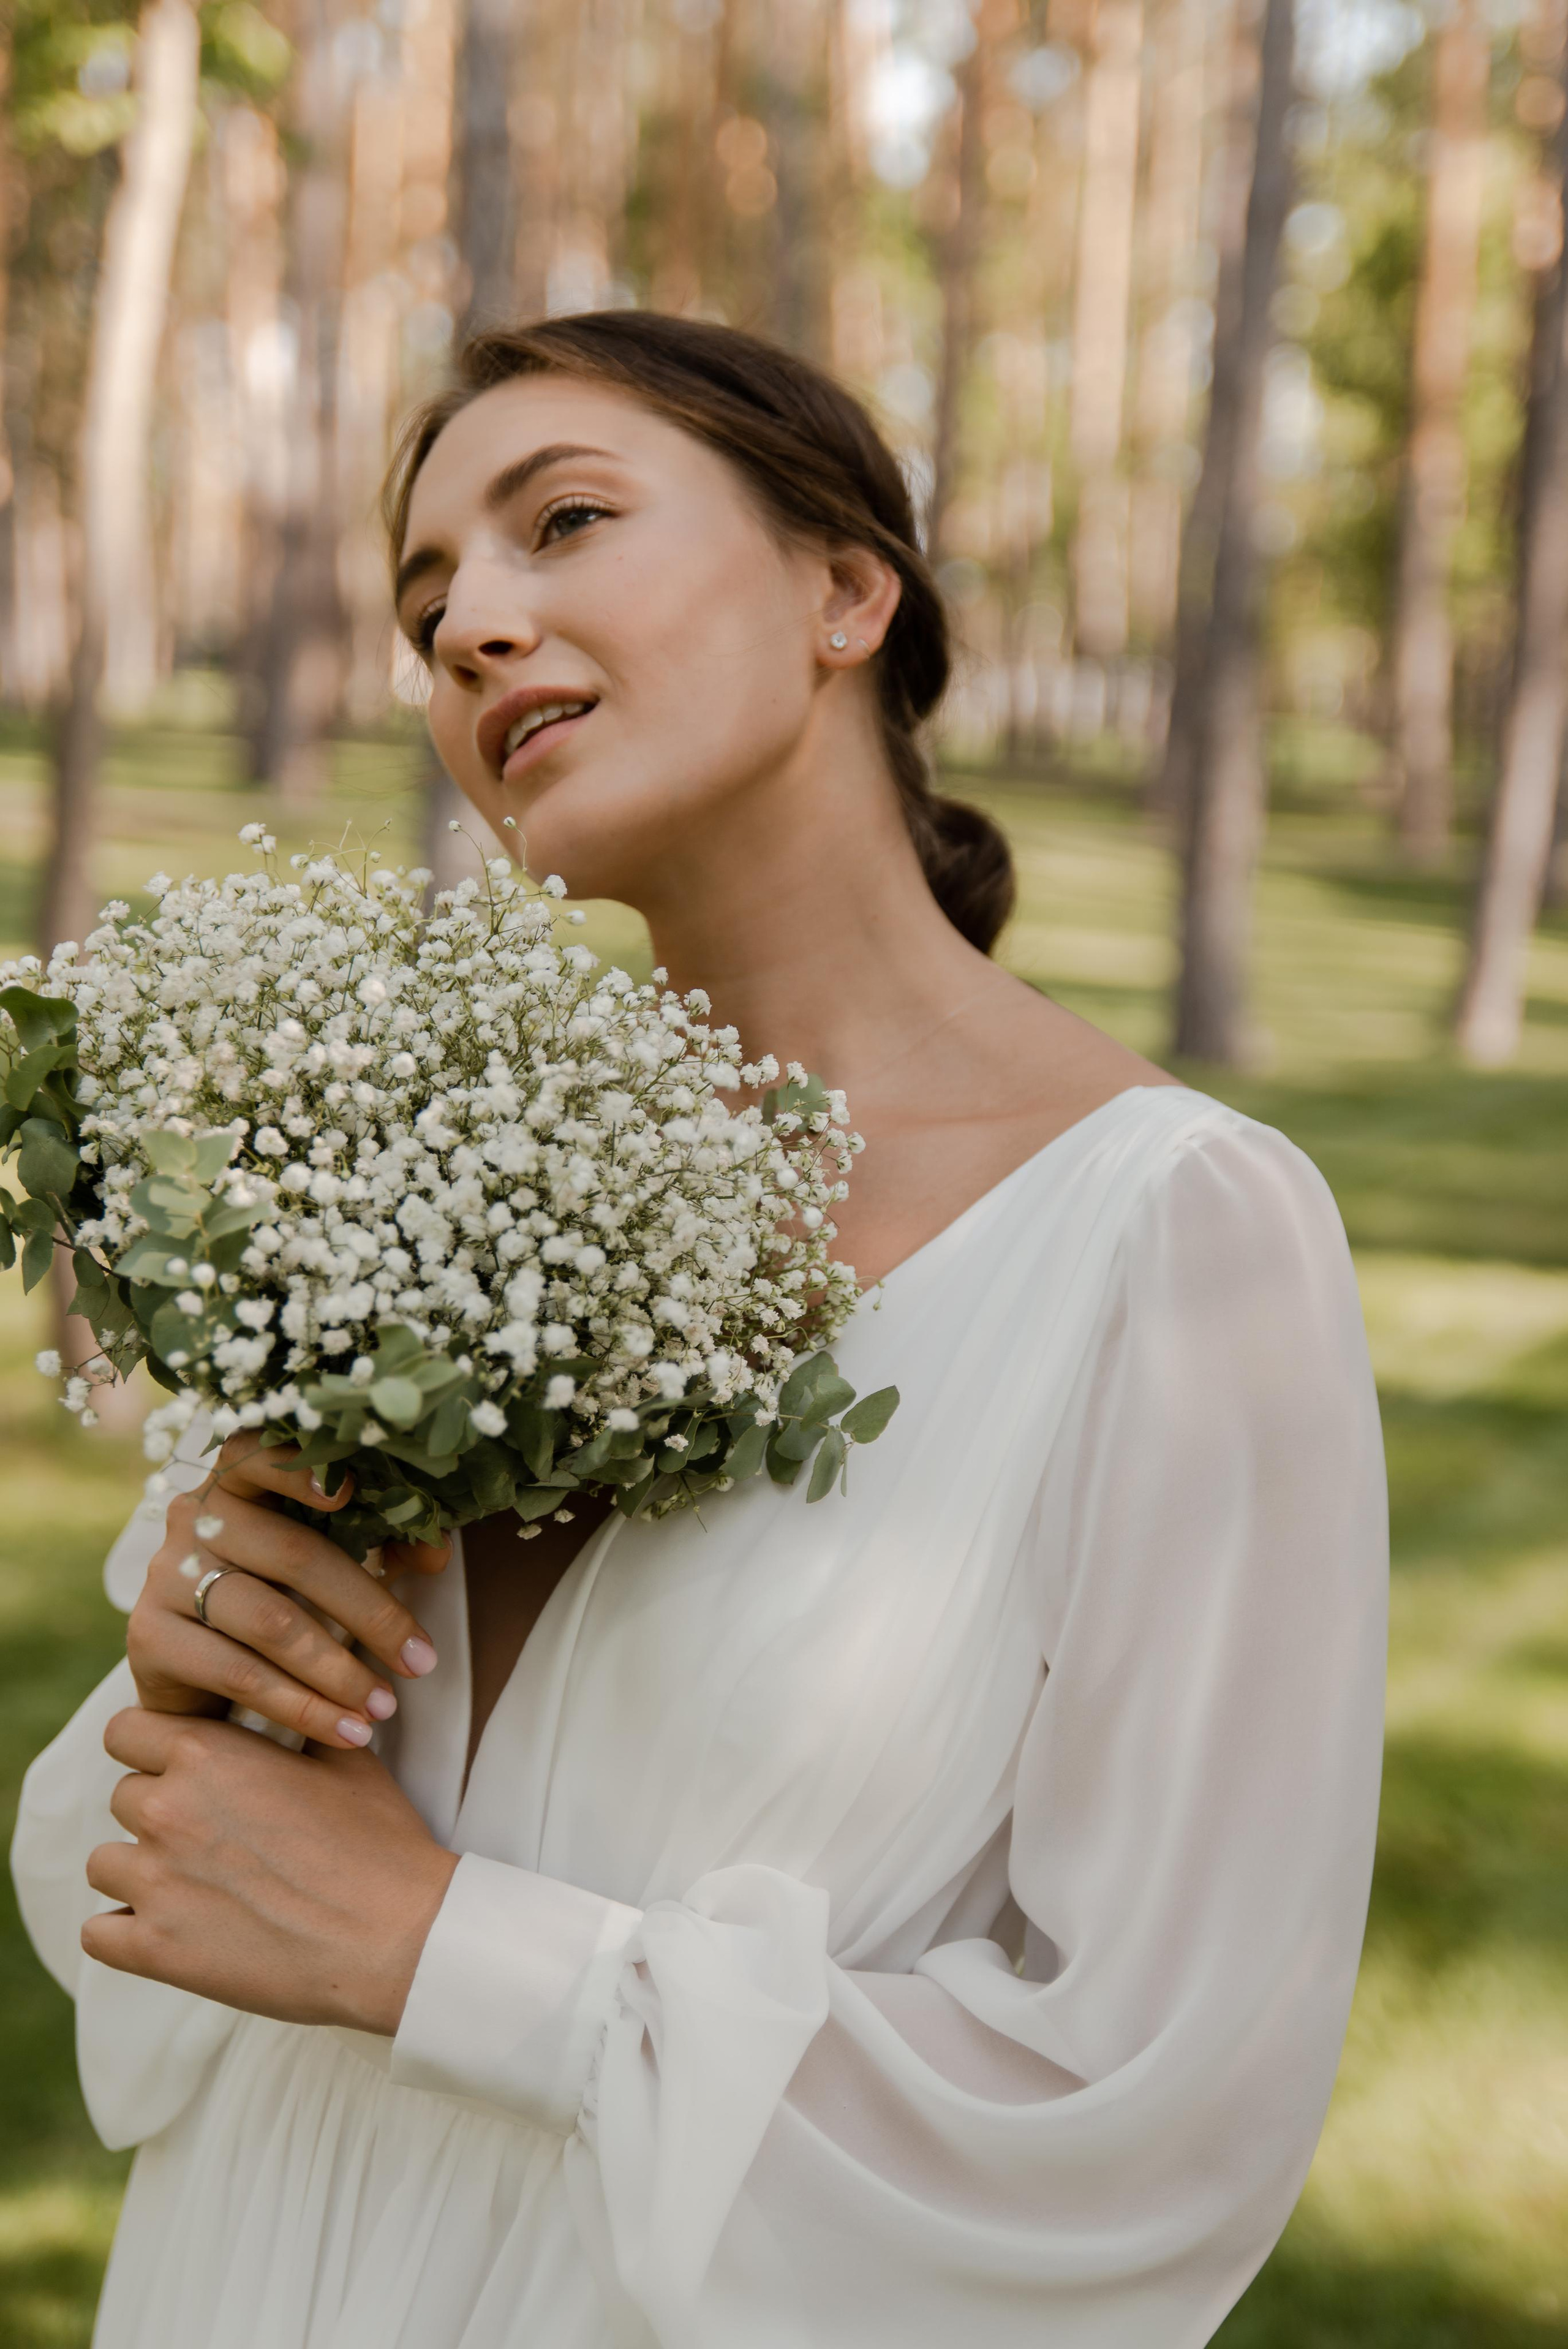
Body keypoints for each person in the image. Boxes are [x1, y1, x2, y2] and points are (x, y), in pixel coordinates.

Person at [12, 312, 1387, 2349]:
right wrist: (196, 1654)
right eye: (427, 601)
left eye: (561, 521)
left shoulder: (1175, 1235)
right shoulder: (393, 1180)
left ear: (848, 591)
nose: (474, 620)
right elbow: (140, 1881)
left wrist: (450, 1956)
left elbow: (1154, 2115)